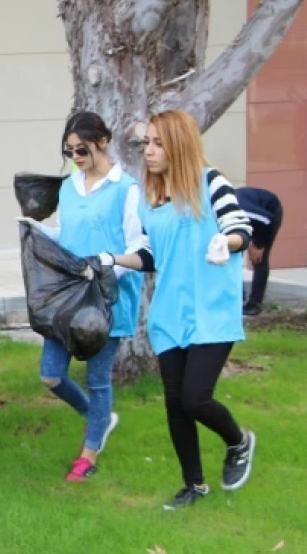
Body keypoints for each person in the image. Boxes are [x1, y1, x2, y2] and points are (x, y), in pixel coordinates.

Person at [103, 110, 257, 511]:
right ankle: (194, 485)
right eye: (147, 144)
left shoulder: (211, 182)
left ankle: (239, 442)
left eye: (157, 143)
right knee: (175, 403)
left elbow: (240, 227)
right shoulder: (151, 199)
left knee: (195, 398)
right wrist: (112, 259)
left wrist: (229, 243)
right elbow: (152, 254)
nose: (149, 152)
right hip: (168, 315)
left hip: (211, 312)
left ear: (179, 144)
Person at [21, 112, 144, 482]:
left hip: (107, 300)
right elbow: (68, 234)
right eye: (68, 150)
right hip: (67, 298)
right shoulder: (70, 187)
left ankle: (88, 455)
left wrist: (105, 268)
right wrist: (38, 232)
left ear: (103, 142)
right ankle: (100, 418)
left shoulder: (127, 189)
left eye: (81, 148)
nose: (75, 156)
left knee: (99, 378)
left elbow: (140, 246)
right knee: (51, 376)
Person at [236, 187, 283, 316]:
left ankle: (255, 304)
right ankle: (239, 298)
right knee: (232, 258)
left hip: (268, 213)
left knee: (259, 259)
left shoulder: (240, 209)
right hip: (251, 218)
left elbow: (267, 220)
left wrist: (257, 245)